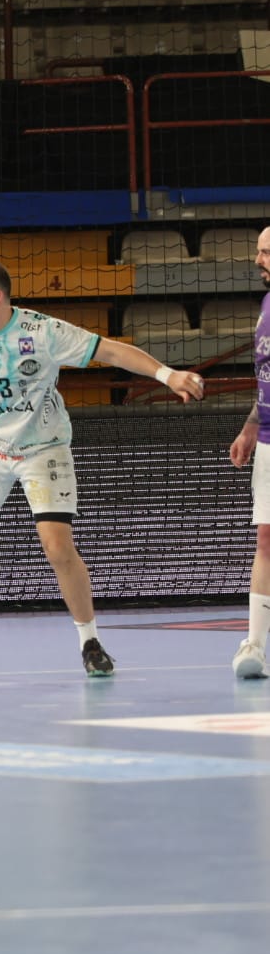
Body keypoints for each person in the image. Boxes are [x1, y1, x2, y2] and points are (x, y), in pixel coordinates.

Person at [0, 260, 204, 678]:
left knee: (57, 546)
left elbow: (111, 349)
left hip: (43, 448)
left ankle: (91, 642)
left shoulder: (42, 332)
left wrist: (166, 374)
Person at [227, 225, 270, 678]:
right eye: (259, 251)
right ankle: (254, 646)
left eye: (267, 252)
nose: (259, 260)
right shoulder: (267, 304)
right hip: (269, 442)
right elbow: (266, 379)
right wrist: (250, 427)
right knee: (266, 538)